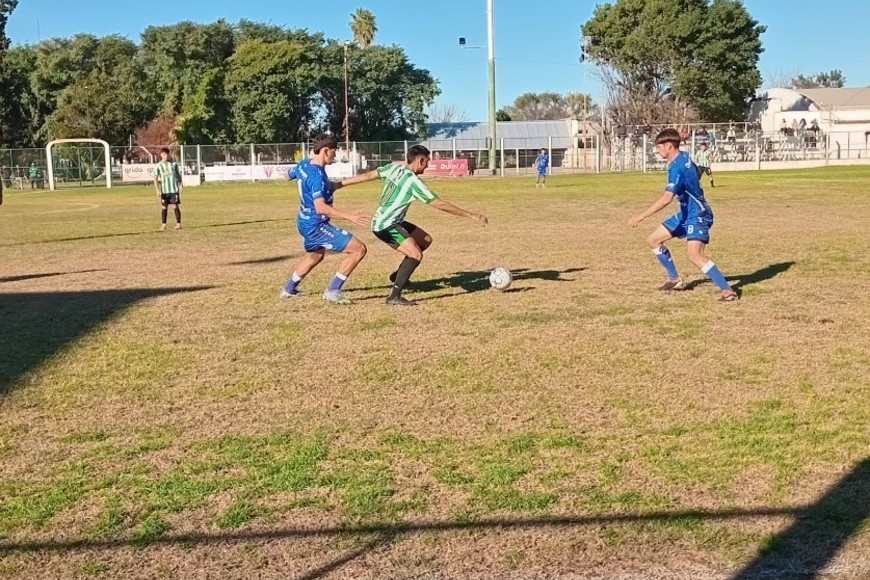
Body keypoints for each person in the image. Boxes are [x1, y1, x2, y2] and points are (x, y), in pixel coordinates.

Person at [344, 144, 488, 306]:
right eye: (427, 161)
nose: (427, 165)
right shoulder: (413, 181)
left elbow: (368, 175)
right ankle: (394, 296)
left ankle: (398, 275)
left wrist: (340, 184)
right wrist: (471, 215)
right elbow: (439, 204)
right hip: (386, 226)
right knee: (415, 254)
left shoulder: (395, 168)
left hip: (389, 221)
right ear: (420, 160)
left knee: (425, 240)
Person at [628, 128, 738, 302]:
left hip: (698, 213)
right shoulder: (684, 156)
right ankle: (674, 280)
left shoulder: (676, 168)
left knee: (694, 255)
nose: (657, 150)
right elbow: (695, 171)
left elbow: (667, 198)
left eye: (659, 147)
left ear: (669, 146)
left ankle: (727, 290)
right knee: (654, 240)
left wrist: (642, 216)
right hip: (685, 213)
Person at [281, 134, 369, 305]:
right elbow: (321, 207)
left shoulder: (303, 164)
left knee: (315, 256)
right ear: (326, 151)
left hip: (304, 221)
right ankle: (333, 290)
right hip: (316, 224)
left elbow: (287, 175)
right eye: (334, 152)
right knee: (358, 249)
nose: (335, 156)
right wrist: (351, 216)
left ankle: (288, 289)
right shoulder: (317, 177)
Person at [154, 147, 183, 231]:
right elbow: (155, 178)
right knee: (164, 207)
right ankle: (164, 225)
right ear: (161, 155)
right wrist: (157, 189)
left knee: (175, 206)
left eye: (167, 154)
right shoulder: (158, 165)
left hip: (174, 190)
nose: (166, 156)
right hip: (164, 191)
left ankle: (178, 224)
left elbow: (178, 174)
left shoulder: (173, 164)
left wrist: (181, 184)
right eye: (164, 154)